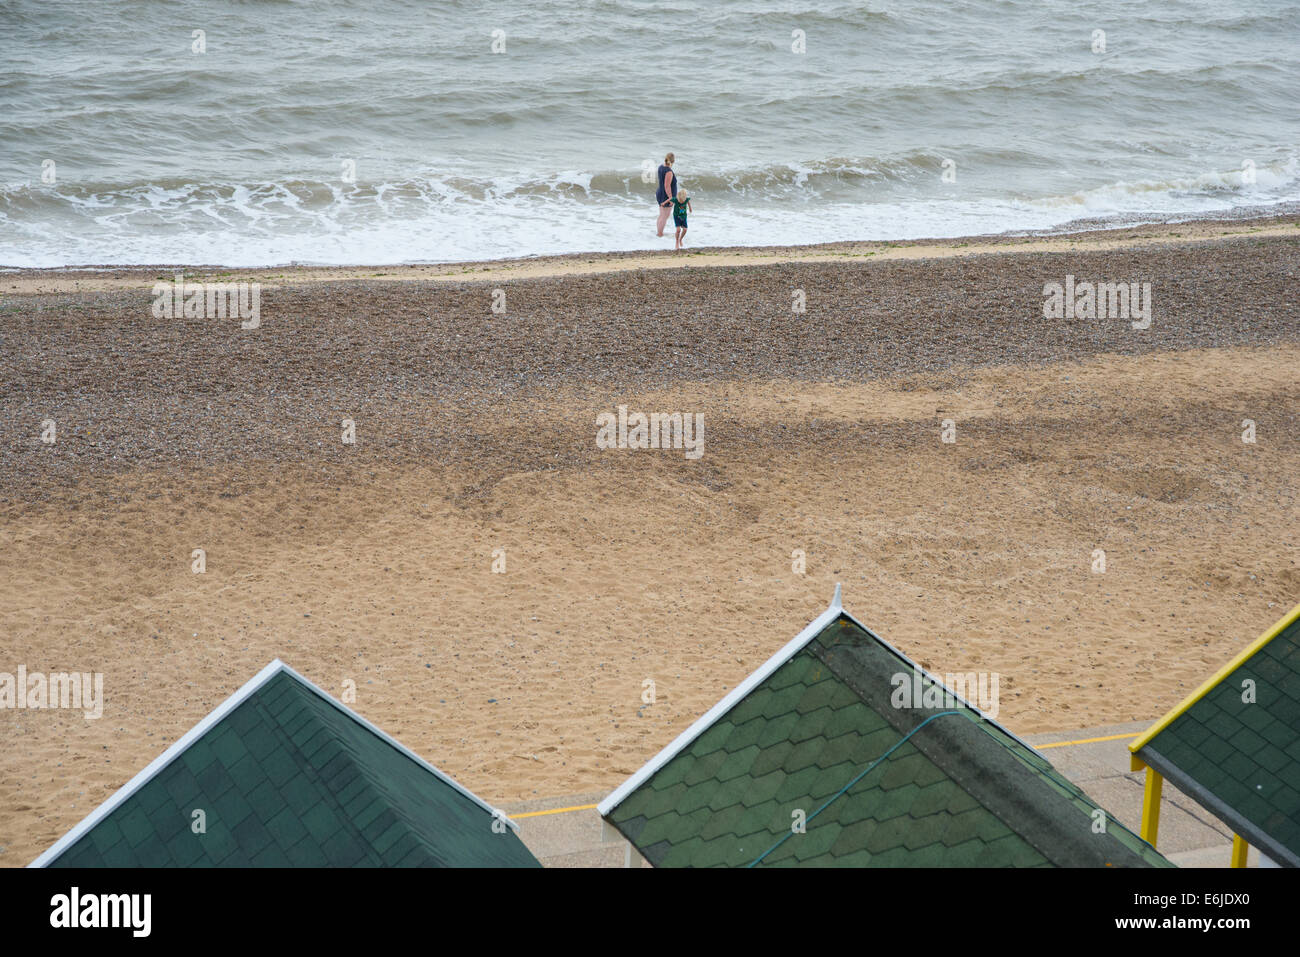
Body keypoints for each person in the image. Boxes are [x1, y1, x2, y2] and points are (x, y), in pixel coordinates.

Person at [655, 153, 677, 237]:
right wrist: (671, 198)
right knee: (664, 216)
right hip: (665, 195)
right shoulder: (668, 171)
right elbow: (667, 186)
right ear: (673, 161)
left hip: (660, 192)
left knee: (662, 215)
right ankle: (660, 234)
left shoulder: (661, 167)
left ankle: (659, 232)